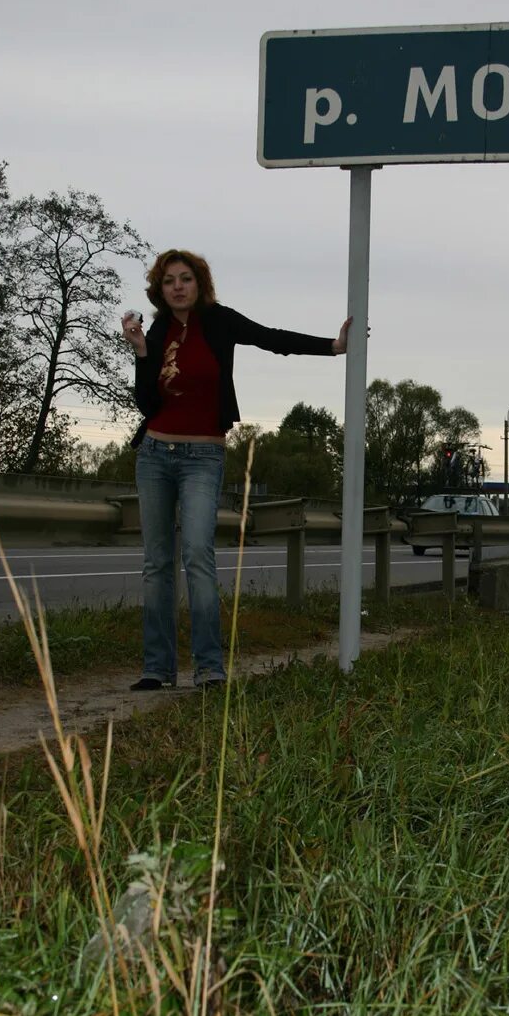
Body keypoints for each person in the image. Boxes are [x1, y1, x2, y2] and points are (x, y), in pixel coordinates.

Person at [121, 248, 351, 691]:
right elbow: (147, 404)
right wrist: (141, 352)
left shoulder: (220, 321)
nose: (178, 286)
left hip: (203, 458)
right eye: (169, 281)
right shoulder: (158, 330)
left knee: (197, 557)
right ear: (159, 289)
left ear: (199, 283)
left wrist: (332, 347)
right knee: (156, 564)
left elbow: (270, 338)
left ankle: (209, 668)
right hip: (154, 456)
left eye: (185, 278)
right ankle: (158, 667)